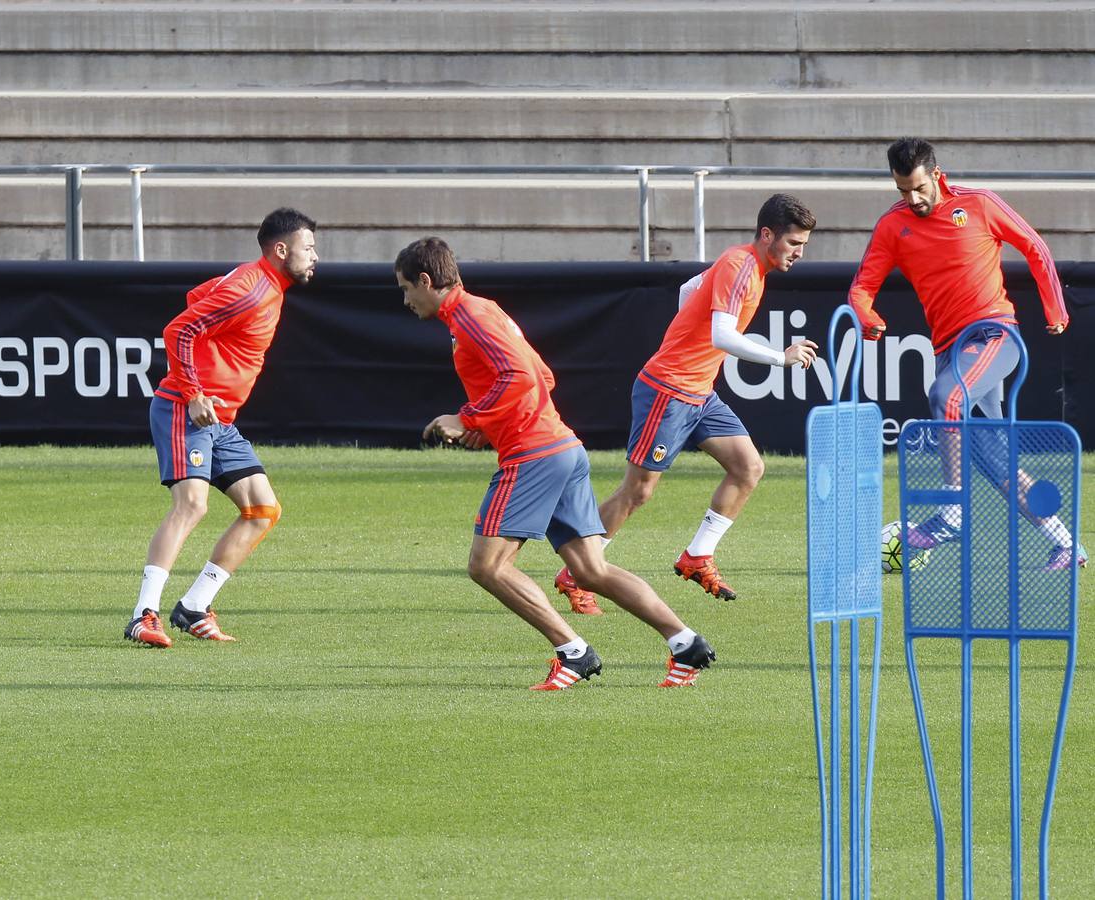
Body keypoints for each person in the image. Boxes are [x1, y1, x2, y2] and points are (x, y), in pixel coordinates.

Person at [396, 236, 715, 690]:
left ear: (426, 281)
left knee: (487, 566)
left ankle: (574, 652)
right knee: (590, 570)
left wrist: (467, 416)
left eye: (406, 289)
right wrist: (488, 425)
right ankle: (685, 643)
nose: (406, 300)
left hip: (534, 455)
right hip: (562, 447)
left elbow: (521, 376)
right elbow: (543, 374)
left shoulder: (468, 317)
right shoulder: (482, 311)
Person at [554, 194, 818, 611]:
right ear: (767, 234)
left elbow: (689, 288)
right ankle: (577, 572)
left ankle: (697, 556)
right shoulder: (740, 265)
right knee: (637, 492)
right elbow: (722, 336)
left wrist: (685, 340)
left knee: (748, 467)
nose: (799, 253)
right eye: (793, 243)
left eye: (803, 245)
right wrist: (778, 357)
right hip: (669, 391)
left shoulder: (746, 264)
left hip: (699, 392)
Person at [848, 137, 1084, 571]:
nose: (912, 199)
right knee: (996, 460)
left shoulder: (979, 204)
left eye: (918, 188)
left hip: (995, 334)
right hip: (949, 350)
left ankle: (951, 512)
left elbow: (1035, 246)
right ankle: (1067, 545)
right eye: (902, 190)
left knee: (946, 397)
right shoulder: (892, 226)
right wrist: (866, 315)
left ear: (938, 176)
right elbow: (861, 287)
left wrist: (1055, 306)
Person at [124, 208, 318, 648]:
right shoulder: (253, 289)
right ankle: (143, 615)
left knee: (262, 510)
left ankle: (193, 606)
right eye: (308, 248)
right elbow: (179, 329)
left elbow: (198, 296)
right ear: (281, 249)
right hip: (185, 409)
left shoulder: (258, 283)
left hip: (220, 420)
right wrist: (193, 391)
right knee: (191, 506)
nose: (315, 256)